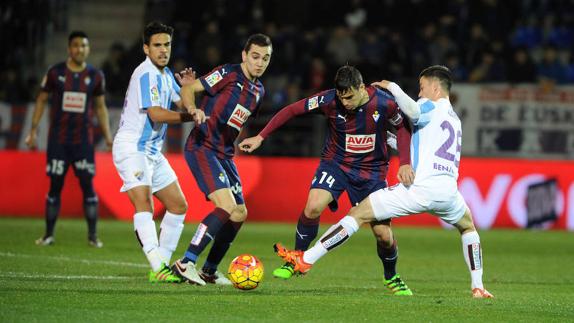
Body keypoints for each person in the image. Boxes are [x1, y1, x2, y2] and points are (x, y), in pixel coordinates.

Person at [273, 65, 494, 298]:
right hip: (449, 193)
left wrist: (393, 88)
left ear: (436, 88)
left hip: (419, 189)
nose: (419, 93)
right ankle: (478, 286)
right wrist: (387, 139)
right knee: (468, 228)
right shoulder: (454, 120)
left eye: (421, 88)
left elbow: (413, 111)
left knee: (357, 214)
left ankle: (305, 259)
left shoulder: (428, 106)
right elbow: (420, 145)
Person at [239, 65, 414, 295]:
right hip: (336, 165)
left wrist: (405, 161)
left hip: (371, 172)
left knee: (383, 234)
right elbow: (292, 110)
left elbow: (402, 126)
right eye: (342, 97)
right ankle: (296, 259)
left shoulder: (384, 102)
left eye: (350, 96)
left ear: (361, 87)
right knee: (312, 206)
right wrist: (261, 136)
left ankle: (391, 276)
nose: (345, 103)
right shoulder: (329, 99)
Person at [171, 34, 272, 285]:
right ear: (244, 56)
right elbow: (188, 88)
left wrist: (244, 140)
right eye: (255, 56)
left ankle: (209, 270)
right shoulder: (228, 73)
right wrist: (192, 109)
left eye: (265, 58)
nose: (260, 63)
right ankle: (186, 262)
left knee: (238, 213)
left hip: (225, 154)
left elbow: (238, 119)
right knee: (226, 206)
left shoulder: (259, 91)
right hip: (202, 147)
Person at [112, 22, 206, 283]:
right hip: (132, 147)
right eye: (157, 45)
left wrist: (189, 93)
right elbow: (156, 113)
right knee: (145, 203)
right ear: (146, 48)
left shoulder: (165, 75)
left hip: (152, 151)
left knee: (178, 206)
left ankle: (162, 265)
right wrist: (191, 115)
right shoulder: (146, 74)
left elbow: (182, 101)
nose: (163, 50)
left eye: (167, 44)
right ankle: (157, 264)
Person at [25, 31, 113, 248]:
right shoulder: (55, 73)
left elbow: (100, 107)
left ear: (88, 49)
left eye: (83, 46)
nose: (79, 49)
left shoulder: (96, 75)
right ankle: (48, 235)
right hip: (59, 142)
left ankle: (93, 236)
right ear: (69, 48)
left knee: (87, 186)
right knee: (55, 186)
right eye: (75, 45)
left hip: (83, 142)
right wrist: (33, 130)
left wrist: (108, 137)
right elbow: (41, 99)